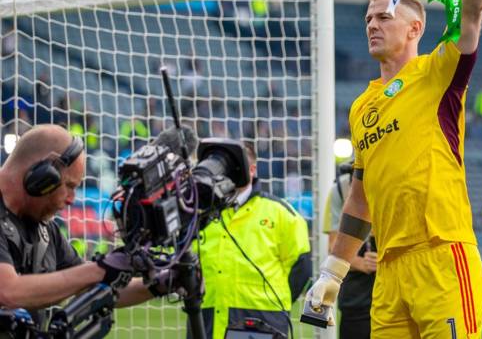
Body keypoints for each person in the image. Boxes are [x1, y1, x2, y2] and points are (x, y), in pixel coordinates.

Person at [306, 0, 482, 338]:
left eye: (384, 16)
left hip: (442, 254)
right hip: (390, 269)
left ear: (416, 26)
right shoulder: (362, 106)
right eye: (368, 19)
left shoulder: (438, 71)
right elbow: (360, 197)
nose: (372, 25)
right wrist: (333, 272)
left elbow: (474, 10)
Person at [0, 125, 173, 328]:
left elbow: (91, 286)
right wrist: (99, 269)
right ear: (41, 176)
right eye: (69, 186)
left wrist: (162, 282)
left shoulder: (45, 230)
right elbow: (8, 291)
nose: (72, 199)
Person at [197, 143, 311, 339]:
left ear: (252, 169)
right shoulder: (200, 215)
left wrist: (272, 303)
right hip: (205, 318)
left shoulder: (281, 213)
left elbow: (301, 267)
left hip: (262, 321)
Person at [322, 160, 376, 339]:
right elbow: (334, 246)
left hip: (397, 283)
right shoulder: (341, 188)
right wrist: (362, 263)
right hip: (357, 295)